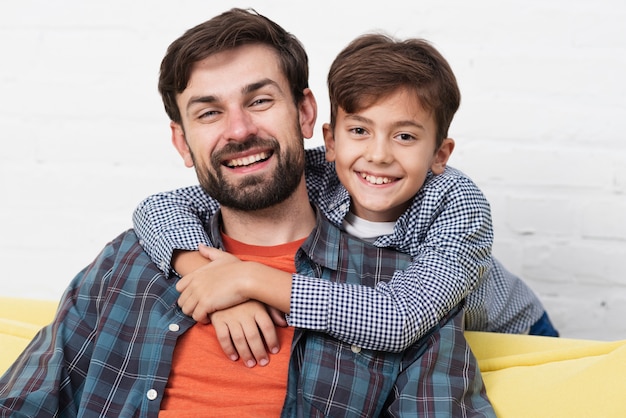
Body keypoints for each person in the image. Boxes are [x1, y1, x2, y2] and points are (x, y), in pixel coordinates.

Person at [0, 8, 495, 417]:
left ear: (304, 114)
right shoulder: (128, 261)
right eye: (209, 112)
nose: (238, 131)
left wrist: (248, 280)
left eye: (259, 100)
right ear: (182, 142)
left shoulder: (402, 280)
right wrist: (217, 279)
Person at [132, 26, 558, 367]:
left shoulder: (456, 203)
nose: (377, 155)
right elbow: (159, 208)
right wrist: (204, 278)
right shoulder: (322, 174)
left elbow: (401, 318)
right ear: (331, 141)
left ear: (439, 154)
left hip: (513, 340)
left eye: (405, 136)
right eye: (359, 131)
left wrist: (247, 278)